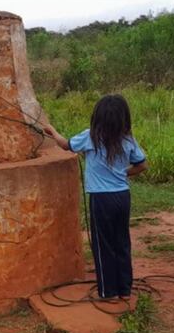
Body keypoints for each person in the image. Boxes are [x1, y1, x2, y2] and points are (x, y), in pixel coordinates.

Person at [44, 94, 148, 299]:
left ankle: (108, 292)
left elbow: (65, 145)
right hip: (122, 197)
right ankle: (125, 290)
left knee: (103, 245)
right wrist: (121, 173)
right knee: (121, 242)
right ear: (123, 118)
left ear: (97, 117)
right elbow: (142, 165)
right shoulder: (128, 139)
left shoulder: (90, 136)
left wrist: (52, 130)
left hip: (101, 200)